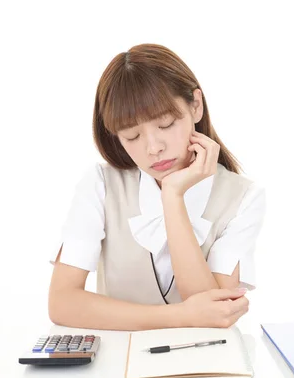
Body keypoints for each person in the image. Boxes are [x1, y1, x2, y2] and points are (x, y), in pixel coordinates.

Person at [48, 43, 266, 331]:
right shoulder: (101, 184)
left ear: (195, 105)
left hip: (205, 363)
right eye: (132, 135)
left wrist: (173, 196)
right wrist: (181, 316)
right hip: (118, 365)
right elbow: (62, 302)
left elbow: (215, 316)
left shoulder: (243, 197)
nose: (153, 148)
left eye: (165, 124)